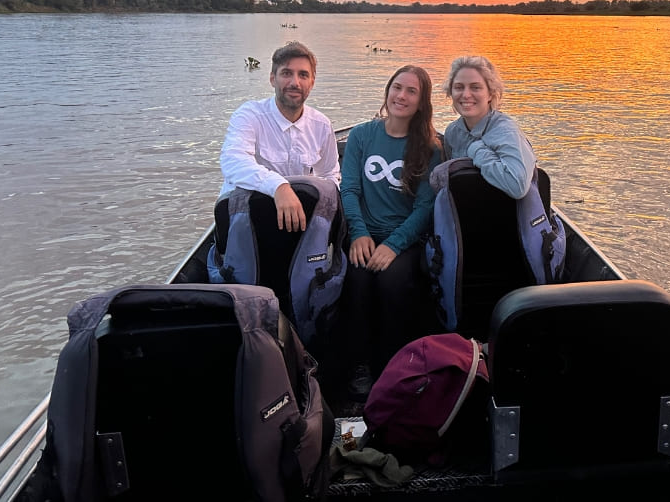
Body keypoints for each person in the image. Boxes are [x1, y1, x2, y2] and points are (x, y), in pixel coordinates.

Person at [340, 65, 443, 401]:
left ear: (422, 101)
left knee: (391, 281)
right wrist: (358, 233)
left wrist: (395, 245)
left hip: (405, 238)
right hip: (364, 233)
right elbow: (350, 190)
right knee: (355, 278)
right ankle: (359, 365)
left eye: (411, 91)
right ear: (387, 91)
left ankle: (392, 364)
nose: (401, 96)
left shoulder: (432, 147)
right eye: (397, 87)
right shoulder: (361, 135)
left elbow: (424, 209)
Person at [219, 41, 340, 232]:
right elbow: (233, 161)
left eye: (303, 75)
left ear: (312, 82)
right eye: (286, 73)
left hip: (299, 220)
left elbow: (329, 175)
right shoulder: (249, 115)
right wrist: (278, 187)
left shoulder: (322, 125)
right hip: (247, 221)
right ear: (272, 79)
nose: (295, 83)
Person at [442, 55, 535, 199]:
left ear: (490, 94)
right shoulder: (452, 133)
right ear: (451, 93)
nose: (466, 95)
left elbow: (518, 186)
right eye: (459, 87)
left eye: (475, 87)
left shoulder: (506, 131)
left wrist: (476, 149)